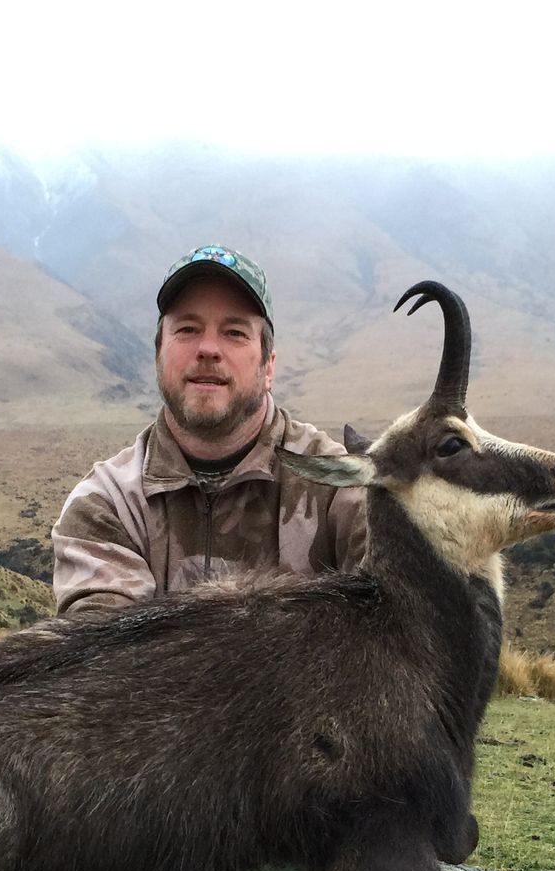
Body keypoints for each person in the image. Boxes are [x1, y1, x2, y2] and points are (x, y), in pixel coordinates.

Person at [51, 245, 368, 615]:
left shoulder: (340, 489)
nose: (208, 349)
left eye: (234, 332)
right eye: (187, 329)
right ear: (158, 357)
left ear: (269, 367)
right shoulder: (107, 505)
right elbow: (105, 661)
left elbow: (407, 636)